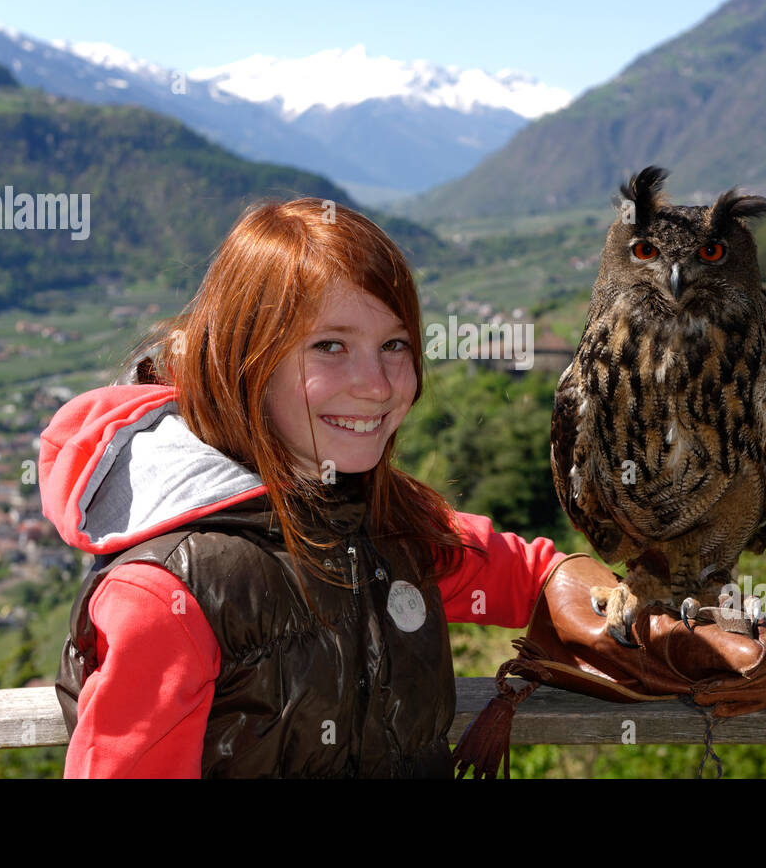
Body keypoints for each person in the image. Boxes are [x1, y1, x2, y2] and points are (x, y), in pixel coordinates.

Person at [39, 197, 566, 778]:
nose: (375, 386)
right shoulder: (168, 595)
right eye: (330, 346)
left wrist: (595, 599)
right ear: (247, 362)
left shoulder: (371, 511)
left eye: (394, 345)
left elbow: (508, 571)